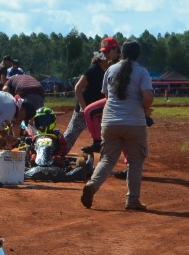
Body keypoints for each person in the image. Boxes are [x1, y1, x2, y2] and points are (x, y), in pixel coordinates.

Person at [80, 41, 153, 212]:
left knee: (107, 159)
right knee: (135, 161)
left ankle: (92, 185)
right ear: (138, 55)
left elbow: (106, 95)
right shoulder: (142, 72)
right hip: (134, 123)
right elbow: (148, 96)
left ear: (121, 53)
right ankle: (132, 200)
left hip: (110, 121)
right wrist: (146, 111)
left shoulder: (110, 70)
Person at [62, 37, 118, 152]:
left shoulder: (111, 70)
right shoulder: (93, 70)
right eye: (104, 53)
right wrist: (84, 108)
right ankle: (56, 157)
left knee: (104, 139)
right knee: (70, 136)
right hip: (83, 111)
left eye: (107, 52)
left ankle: (104, 164)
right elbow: (78, 88)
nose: (106, 55)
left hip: (99, 112)